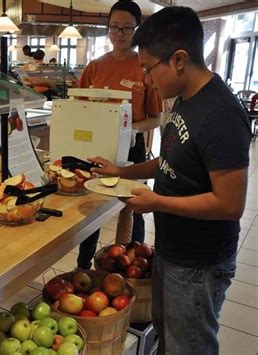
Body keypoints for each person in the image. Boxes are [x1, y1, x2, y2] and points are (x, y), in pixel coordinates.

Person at [88, 7, 251, 354]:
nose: (146, 80)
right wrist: (121, 171)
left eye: (148, 69)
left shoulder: (221, 114)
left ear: (178, 59)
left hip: (198, 262)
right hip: (173, 250)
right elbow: (171, 161)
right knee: (167, 335)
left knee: (188, 345)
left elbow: (230, 205)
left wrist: (156, 202)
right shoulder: (185, 102)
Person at [76, 0, 162, 270]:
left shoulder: (145, 67)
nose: (120, 33)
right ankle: (83, 264)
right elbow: (80, 108)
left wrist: (133, 129)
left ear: (137, 30)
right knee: (92, 208)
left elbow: (155, 118)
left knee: (133, 207)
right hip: (98, 149)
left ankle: (132, 264)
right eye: (114, 27)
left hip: (132, 150)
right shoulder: (94, 66)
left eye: (127, 28)